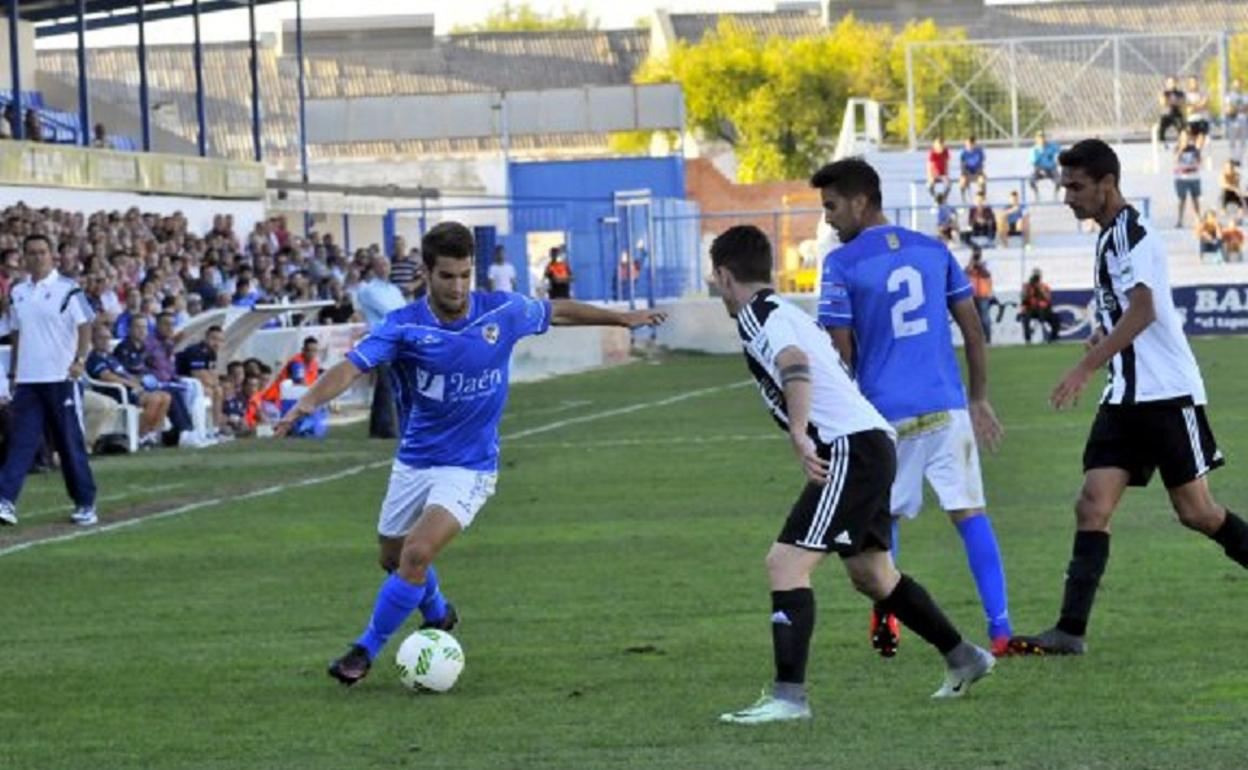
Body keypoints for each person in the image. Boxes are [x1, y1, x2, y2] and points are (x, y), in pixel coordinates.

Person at [273, 221, 667, 687]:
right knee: (392, 558)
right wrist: (307, 402)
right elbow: (351, 366)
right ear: (426, 273)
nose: (458, 287)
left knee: (416, 554)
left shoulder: (499, 311)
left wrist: (620, 318)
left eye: (465, 275)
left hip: (471, 465)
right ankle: (438, 613)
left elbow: (556, 310)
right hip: (415, 460)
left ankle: (364, 649)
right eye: (447, 276)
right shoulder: (403, 326)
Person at [712, 224, 994, 725]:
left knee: (785, 564)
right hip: (872, 441)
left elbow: (794, 365)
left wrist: (799, 432)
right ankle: (964, 657)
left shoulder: (757, 316)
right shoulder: (786, 311)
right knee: (872, 573)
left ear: (724, 275)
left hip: (851, 447)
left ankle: (788, 698)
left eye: (716, 281)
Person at [1008, 138, 1248, 656]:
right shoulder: (1107, 238)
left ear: (1107, 184)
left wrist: (1084, 367)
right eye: (1064, 185)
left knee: (1198, 514)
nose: (1067, 196)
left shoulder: (1133, 235)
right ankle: (1070, 631)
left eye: (1076, 186)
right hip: (1125, 398)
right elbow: (1127, 315)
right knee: (1092, 505)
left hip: (1164, 395)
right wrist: (1101, 344)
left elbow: (1143, 312)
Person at [812, 158, 1012, 658]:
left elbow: (841, 353)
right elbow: (971, 328)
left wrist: (835, 420)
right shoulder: (933, 248)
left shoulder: (841, 264)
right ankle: (1002, 631)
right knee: (970, 516)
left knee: (886, 521)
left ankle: (886, 618)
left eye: (832, 207)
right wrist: (979, 395)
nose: (829, 219)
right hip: (947, 405)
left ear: (861, 202)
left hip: (882, 414)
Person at [0, 234, 97, 527]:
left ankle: (85, 501)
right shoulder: (18, 292)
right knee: (21, 441)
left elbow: (85, 326)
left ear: (52, 255)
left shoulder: (68, 289)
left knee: (68, 442)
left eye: (42, 252)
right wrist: (15, 371)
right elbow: (17, 333)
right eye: (31, 253)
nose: (37, 257)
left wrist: (79, 360)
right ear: (25, 258)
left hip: (60, 377)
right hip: (29, 380)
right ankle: (5, 499)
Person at [86, 323, 171, 446]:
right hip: (116, 392)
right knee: (155, 399)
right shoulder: (94, 358)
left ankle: (152, 433)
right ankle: (140, 435)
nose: (106, 341)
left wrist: (137, 380)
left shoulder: (111, 357)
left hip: (130, 389)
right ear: (93, 340)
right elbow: (107, 376)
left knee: (166, 397)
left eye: (108, 338)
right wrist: (131, 384)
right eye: (101, 338)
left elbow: (124, 373)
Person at [356, 254, 405, 439]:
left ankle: (379, 427)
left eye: (387, 264)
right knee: (386, 383)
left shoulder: (394, 289)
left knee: (387, 385)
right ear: (374, 268)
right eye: (381, 264)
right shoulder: (369, 290)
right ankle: (388, 428)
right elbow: (389, 311)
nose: (385, 267)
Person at [1019, 268, 1060, 344]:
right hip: (1031, 309)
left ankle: (1053, 338)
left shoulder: (1044, 286)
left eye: (1037, 276)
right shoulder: (1027, 286)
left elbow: (1048, 299)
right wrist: (1029, 289)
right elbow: (1023, 298)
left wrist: (1040, 290)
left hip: (1043, 310)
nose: (1036, 279)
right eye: (1035, 276)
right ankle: (1028, 339)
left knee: (1056, 318)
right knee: (1025, 318)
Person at [965, 247, 995, 344]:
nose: (977, 254)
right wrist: (972, 261)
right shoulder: (970, 265)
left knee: (984, 318)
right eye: (975, 252)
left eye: (978, 253)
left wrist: (980, 265)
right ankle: (975, 340)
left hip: (983, 295)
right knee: (973, 319)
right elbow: (966, 272)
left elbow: (986, 274)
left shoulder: (985, 263)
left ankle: (988, 340)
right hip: (972, 295)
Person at [1173, 129, 1202, 228]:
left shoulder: (1194, 149)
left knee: (1195, 199)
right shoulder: (1177, 148)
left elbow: (1199, 161)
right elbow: (1175, 160)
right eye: (1183, 136)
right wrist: (1181, 149)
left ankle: (1198, 219)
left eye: (1187, 136)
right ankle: (1180, 220)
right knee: (1181, 200)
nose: (1186, 138)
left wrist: (1197, 152)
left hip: (1194, 177)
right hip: (1181, 178)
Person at [1156, 76, 1186, 147]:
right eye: (1169, 82)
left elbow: (1182, 103)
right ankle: (1163, 143)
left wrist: (1169, 101)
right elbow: (1163, 103)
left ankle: (1180, 145)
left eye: (1173, 82)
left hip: (1177, 114)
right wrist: (1174, 101)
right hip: (1166, 115)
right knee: (1161, 127)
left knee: (1182, 129)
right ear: (1166, 83)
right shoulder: (1164, 92)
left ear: (1176, 83)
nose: (1172, 84)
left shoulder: (1180, 93)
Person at [1184, 75, 1210, 151]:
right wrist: (1199, 104)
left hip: (1202, 120)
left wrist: (1193, 105)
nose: (1194, 84)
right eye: (1192, 82)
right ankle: (1193, 154)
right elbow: (1188, 110)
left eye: (1195, 82)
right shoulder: (1186, 95)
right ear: (1188, 84)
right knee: (1190, 140)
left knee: (1201, 138)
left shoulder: (1204, 94)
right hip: (1191, 121)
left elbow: (1204, 104)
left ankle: (1197, 153)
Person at [958, 136, 986, 203]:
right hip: (967, 172)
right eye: (966, 144)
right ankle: (963, 201)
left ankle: (982, 200)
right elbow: (962, 165)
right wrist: (963, 174)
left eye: (970, 144)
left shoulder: (979, 151)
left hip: (977, 172)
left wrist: (981, 173)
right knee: (962, 181)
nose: (968, 146)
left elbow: (981, 163)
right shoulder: (963, 153)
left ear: (974, 144)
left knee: (982, 180)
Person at [1226, 78, 1248, 161]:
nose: (1238, 86)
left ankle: (1240, 158)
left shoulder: (1245, 95)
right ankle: (1233, 158)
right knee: (1232, 140)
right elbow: (1228, 109)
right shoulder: (1230, 95)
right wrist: (1237, 108)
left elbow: (1246, 108)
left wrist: (1237, 108)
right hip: (1233, 120)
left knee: (1242, 140)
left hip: (1243, 119)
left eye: (1239, 84)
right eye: (1236, 84)